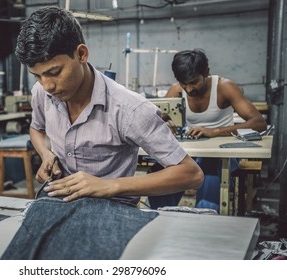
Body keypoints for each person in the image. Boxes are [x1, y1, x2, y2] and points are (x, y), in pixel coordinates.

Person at [14, 6, 204, 206]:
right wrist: (46, 154)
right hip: (60, 201)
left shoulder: (130, 109)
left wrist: (109, 185)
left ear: (81, 54)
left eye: (54, 72)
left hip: (112, 209)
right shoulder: (41, 92)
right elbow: (36, 128)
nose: (47, 86)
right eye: (37, 76)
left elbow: (191, 174)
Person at [150, 48, 267, 212]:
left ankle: (205, 221)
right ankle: (160, 217)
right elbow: (156, 120)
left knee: (208, 171)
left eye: (194, 82)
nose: (189, 89)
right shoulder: (176, 90)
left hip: (222, 155)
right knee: (161, 170)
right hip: (192, 153)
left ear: (206, 72)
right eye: (184, 84)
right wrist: (167, 125)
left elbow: (258, 123)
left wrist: (214, 132)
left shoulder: (224, 87)